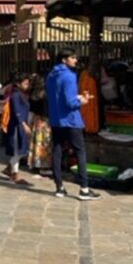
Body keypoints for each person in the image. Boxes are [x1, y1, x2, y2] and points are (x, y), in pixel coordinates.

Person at [46, 49, 100, 200]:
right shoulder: (69, 76)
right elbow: (70, 103)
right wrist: (82, 100)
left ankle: (59, 187)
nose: (76, 60)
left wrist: (77, 97)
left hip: (56, 119)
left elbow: (58, 97)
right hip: (70, 120)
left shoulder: (51, 75)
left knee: (57, 151)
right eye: (73, 58)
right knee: (80, 152)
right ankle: (84, 189)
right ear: (64, 60)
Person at [4, 74, 32, 185]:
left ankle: (9, 167)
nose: (27, 85)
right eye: (25, 83)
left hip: (21, 124)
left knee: (21, 150)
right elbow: (17, 111)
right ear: (18, 83)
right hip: (17, 126)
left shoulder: (22, 94)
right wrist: (23, 124)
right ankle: (14, 173)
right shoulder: (15, 95)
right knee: (17, 149)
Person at [27, 73, 52, 176]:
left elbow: (31, 108)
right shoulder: (46, 95)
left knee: (35, 142)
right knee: (45, 143)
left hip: (36, 120)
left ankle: (34, 163)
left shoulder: (33, 94)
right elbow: (47, 110)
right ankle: (44, 165)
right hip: (45, 121)